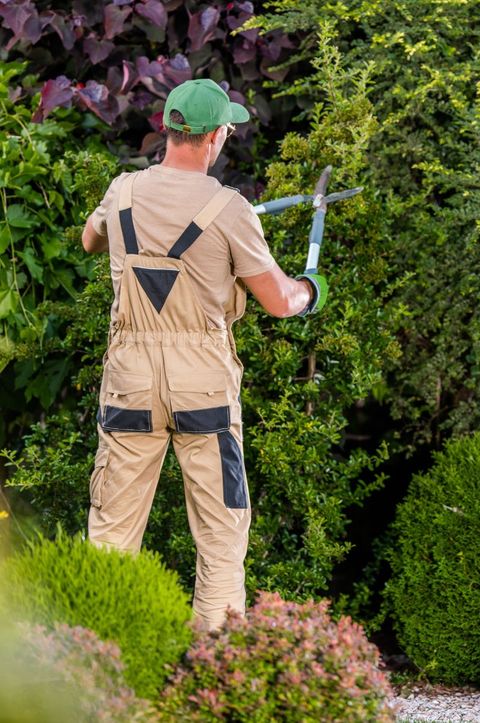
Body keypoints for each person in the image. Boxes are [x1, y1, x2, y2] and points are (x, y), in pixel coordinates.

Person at [80, 79, 326, 629]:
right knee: (220, 531)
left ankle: (95, 676)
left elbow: (90, 241)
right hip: (204, 386)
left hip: (130, 379)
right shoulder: (231, 209)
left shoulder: (121, 192)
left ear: (168, 130)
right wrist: (313, 288)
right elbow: (281, 302)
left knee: (111, 533)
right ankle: (215, 670)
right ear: (216, 136)